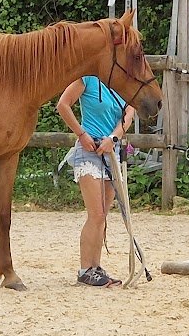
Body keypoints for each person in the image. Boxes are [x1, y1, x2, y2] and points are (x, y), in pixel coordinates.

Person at [56, 75, 135, 287]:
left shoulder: (121, 81)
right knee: (96, 213)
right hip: (89, 149)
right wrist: (81, 134)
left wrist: (114, 138)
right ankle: (85, 269)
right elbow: (63, 104)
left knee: (103, 215)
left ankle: (95, 266)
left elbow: (129, 112)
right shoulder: (86, 79)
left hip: (110, 151)